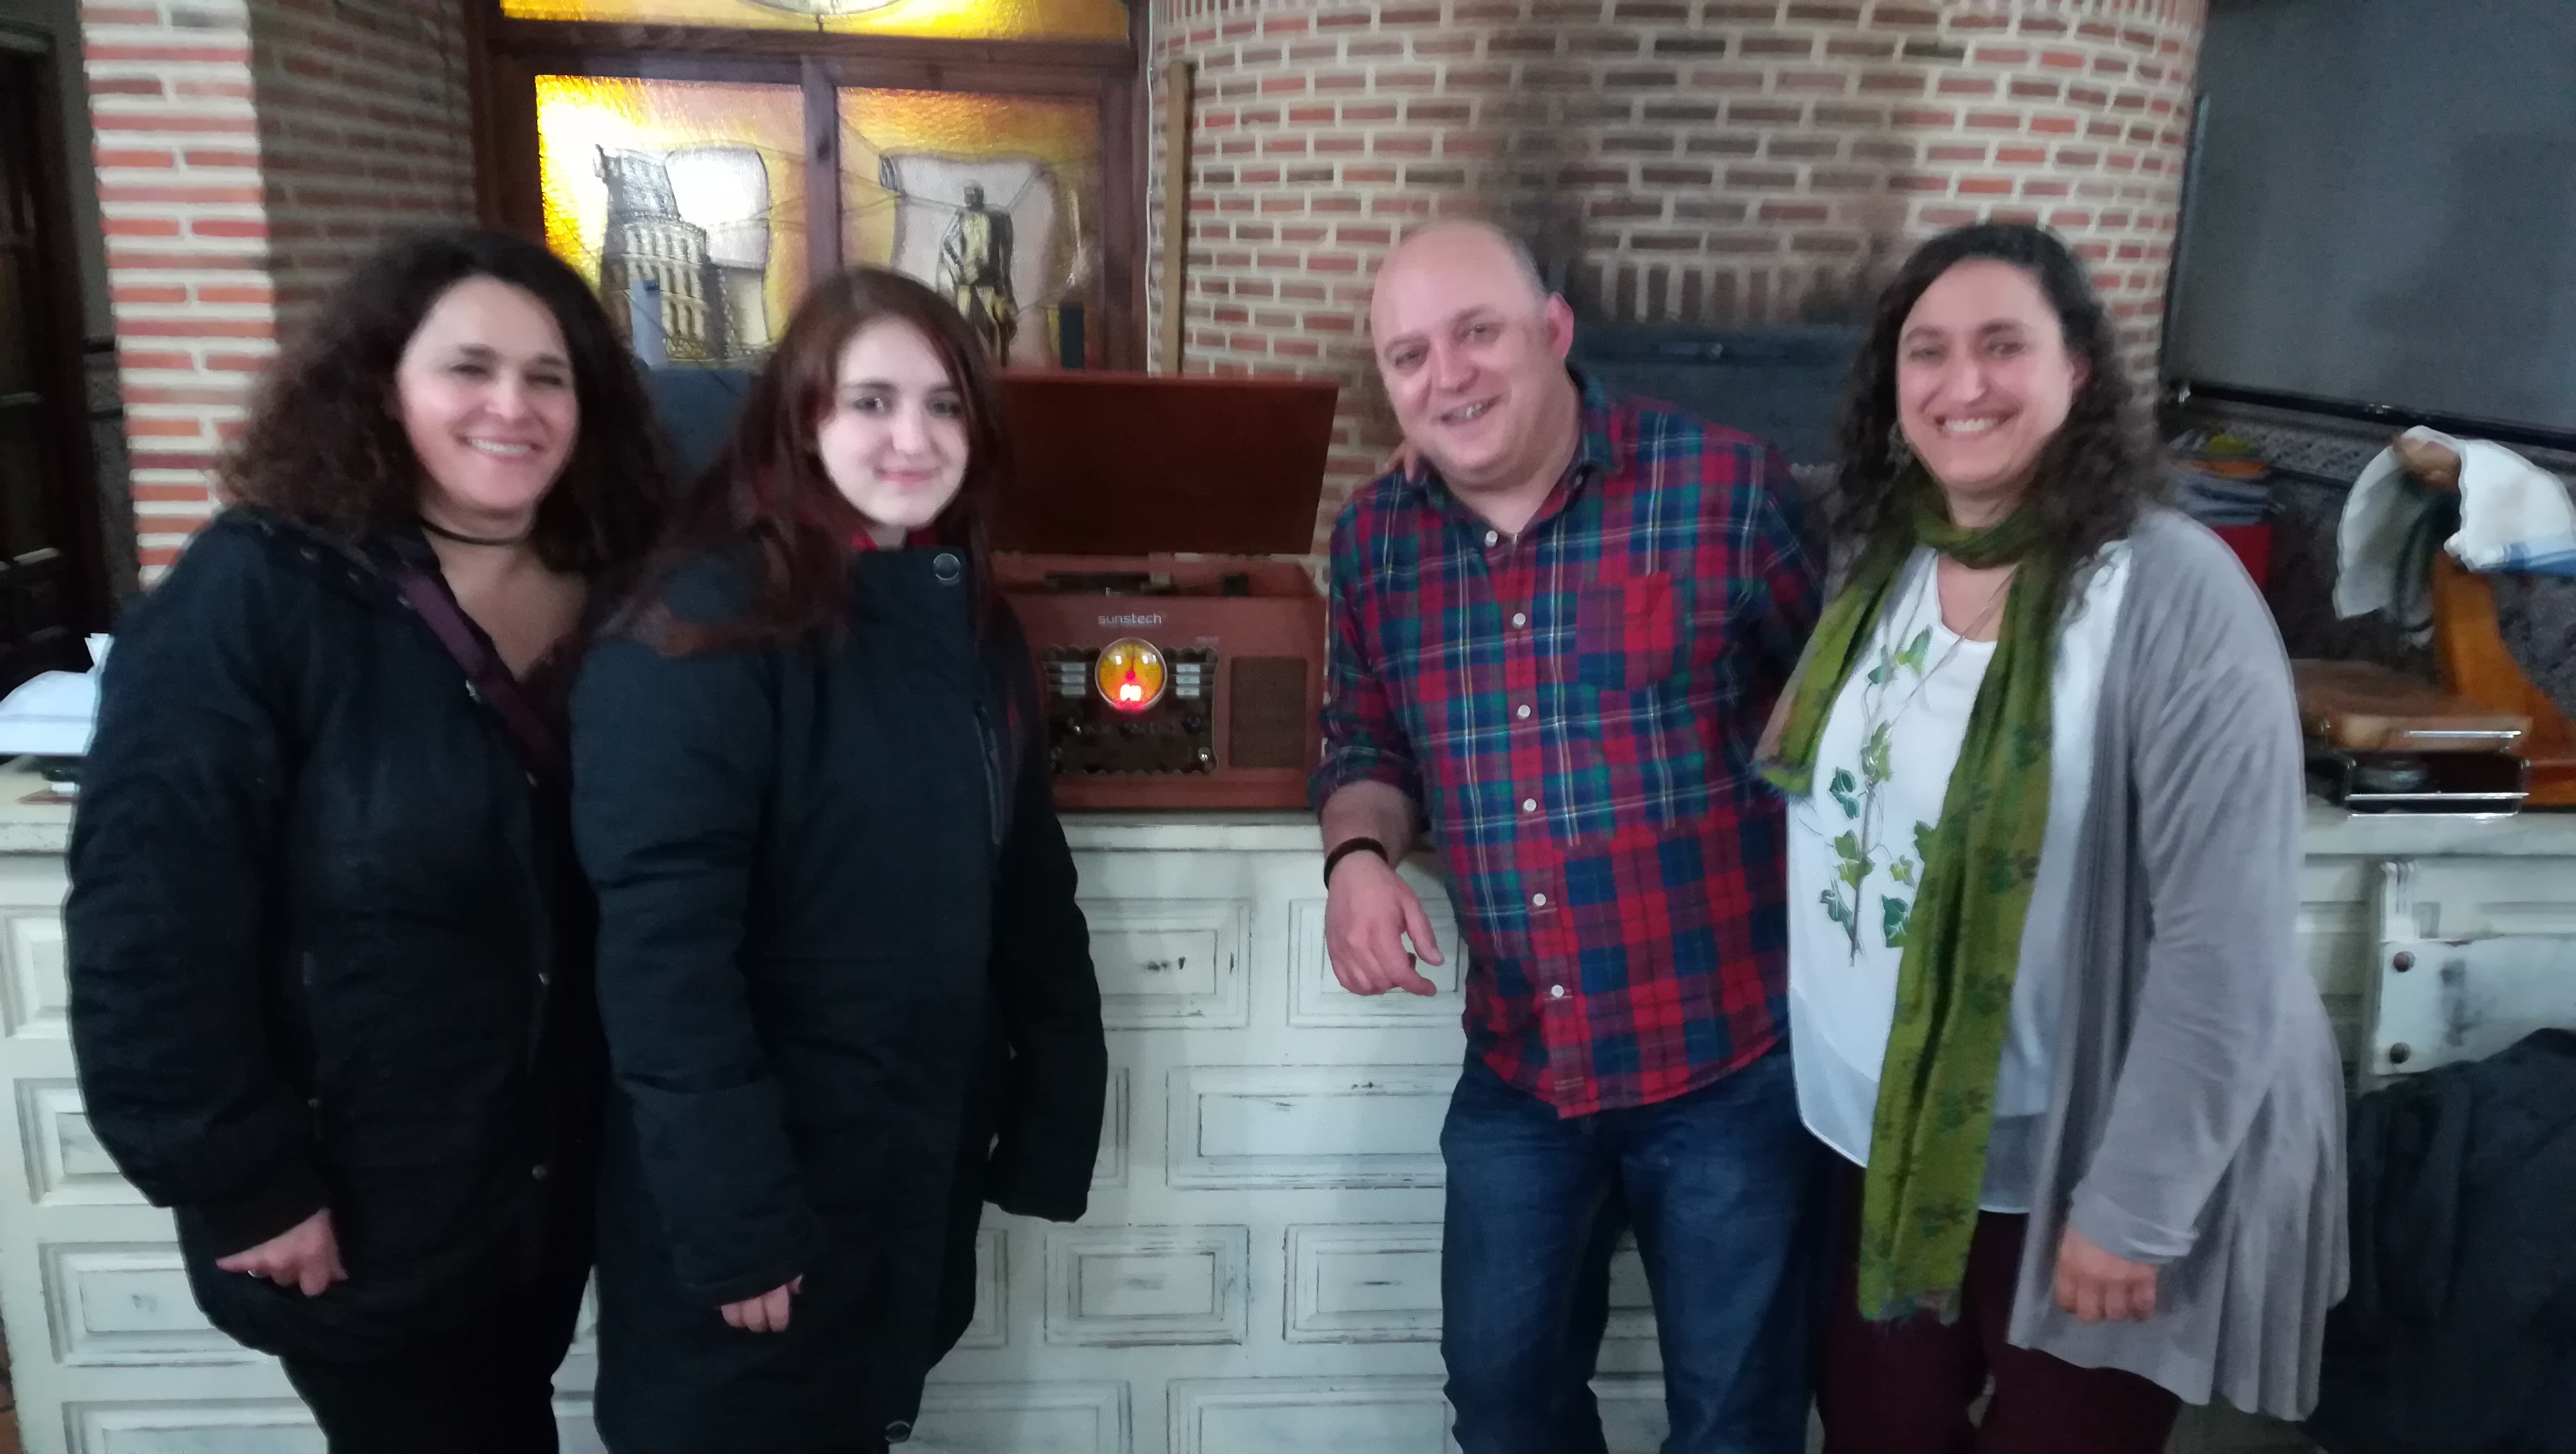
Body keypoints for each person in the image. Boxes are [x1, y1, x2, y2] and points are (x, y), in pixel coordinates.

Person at [64, 228, 667, 1451]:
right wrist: (243, 1180)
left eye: (547, 376)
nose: (512, 407)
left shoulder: (622, 582)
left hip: (549, 1179)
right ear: (383, 385)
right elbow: (147, 923)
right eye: (469, 370)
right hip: (358, 1191)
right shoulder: (261, 591)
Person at [1760, 222, 2347, 1453]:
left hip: (2083, 1158)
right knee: (1875, 1430)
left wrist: (2136, 1208)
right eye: (1927, 351)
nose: (1961, 384)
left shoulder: (2175, 596)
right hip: (1887, 1141)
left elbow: (2225, 944)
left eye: (2002, 346)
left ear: (2077, 370)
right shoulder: (1881, 556)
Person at [571, 265, 1105, 1454]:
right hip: (758, 1206)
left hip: (898, 1169)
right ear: (798, 420)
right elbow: (665, 968)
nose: (914, 437)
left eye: (946, 405)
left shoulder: (969, 622)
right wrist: (736, 1221)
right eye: (872, 402)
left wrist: (1055, 1113)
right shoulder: (698, 625)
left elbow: (1029, 889)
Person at [1315, 220, 1826, 1454]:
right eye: (1409, 355)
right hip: (1521, 1069)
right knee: (1502, 1405)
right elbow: (1365, 746)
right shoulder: (1376, 542)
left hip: (1730, 1067)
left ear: (1554, 331)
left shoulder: (1727, 490)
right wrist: (1358, 859)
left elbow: (1838, 719)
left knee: (1738, 1424)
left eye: (1478, 333)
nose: (1447, 375)